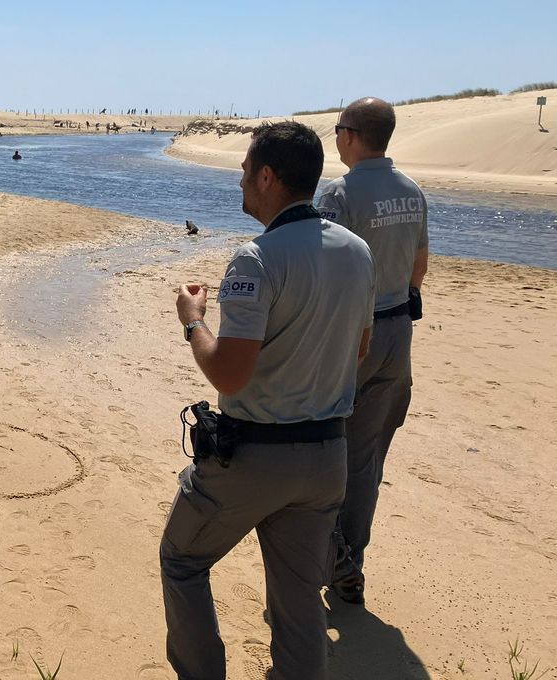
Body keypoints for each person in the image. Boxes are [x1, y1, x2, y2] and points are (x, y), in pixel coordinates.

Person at [162, 121, 374, 680]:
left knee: (182, 561)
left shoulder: (255, 258)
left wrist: (193, 323)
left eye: (244, 172)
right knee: (299, 602)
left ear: (267, 176)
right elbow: (360, 349)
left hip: (256, 455)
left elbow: (228, 374)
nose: (239, 183)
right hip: (328, 455)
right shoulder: (357, 252)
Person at [316, 97, 429, 606]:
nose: (336, 137)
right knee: (366, 460)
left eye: (338, 128)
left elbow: (324, 267)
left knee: (324, 448)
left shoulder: (341, 193)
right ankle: (352, 559)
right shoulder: (412, 191)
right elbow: (419, 268)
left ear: (352, 135)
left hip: (354, 337)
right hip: (398, 334)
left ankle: (332, 552)